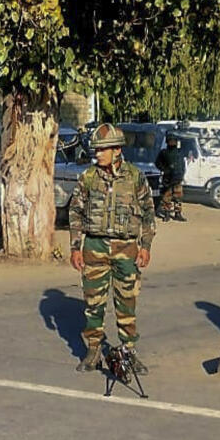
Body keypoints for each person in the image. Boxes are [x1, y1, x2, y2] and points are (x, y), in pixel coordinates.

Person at [69, 123, 155, 374]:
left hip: (126, 248)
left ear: (117, 150)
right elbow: (75, 211)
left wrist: (145, 246)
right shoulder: (88, 177)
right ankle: (93, 350)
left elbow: (149, 212)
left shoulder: (135, 177)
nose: (97, 154)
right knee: (93, 303)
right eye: (95, 150)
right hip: (94, 247)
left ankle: (128, 351)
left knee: (126, 302)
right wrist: (76, 247)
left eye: (102, 150)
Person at [154, 132, 187, 222]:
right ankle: (167, 214)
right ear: (167, 141)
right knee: (166, 198)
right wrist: (165, 170)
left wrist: (182, 173)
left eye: (174, 141)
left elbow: (183, 164)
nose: (173, 142)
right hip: (168, 179)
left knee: (178, 197)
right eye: (171, 140)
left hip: (178, 179)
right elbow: (157, 163)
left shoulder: (180, 152)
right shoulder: (164, 153)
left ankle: (178, 214)